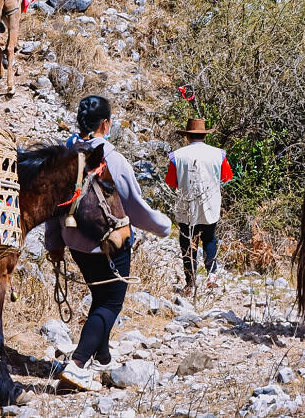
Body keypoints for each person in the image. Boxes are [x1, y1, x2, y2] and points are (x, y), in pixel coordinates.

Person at [48, 96, 172, 393]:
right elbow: (134, 206)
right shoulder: (111, 158)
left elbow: (53, 204)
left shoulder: (67, 153)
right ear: (106, 123)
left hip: (74, 241)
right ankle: (77, 364)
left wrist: (53, 241)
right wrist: (163, 227)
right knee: (110, 302)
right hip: (109, 243)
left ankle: (101, 356)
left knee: (98, 293)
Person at [165, 118, 233, 293]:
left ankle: (190, 282)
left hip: (186, 205)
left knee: (187, 242)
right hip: (210, 203)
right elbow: (226, 177)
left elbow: (171, 182)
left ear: (187, 136)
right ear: (204, 135)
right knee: (209, 238)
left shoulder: (177, 156)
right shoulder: (218, 154)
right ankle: (212, 275)